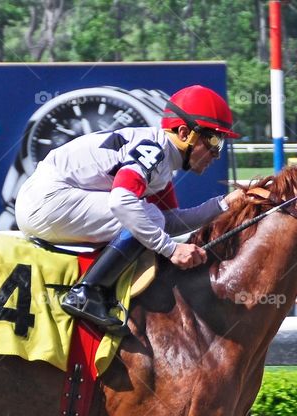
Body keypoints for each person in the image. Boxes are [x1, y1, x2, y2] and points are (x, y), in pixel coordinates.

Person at [15, 84, 244, 331]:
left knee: (150, 218)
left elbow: (171, 222)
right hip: (46, 200)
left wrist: (223, 205)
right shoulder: (153, 151)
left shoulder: (162, 161)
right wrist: (170, 250)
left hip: (49, 199)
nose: (216, 154)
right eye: (213, 140)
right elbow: (122, 201)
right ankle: (86, 292)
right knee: (145, 216)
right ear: (184, 132)